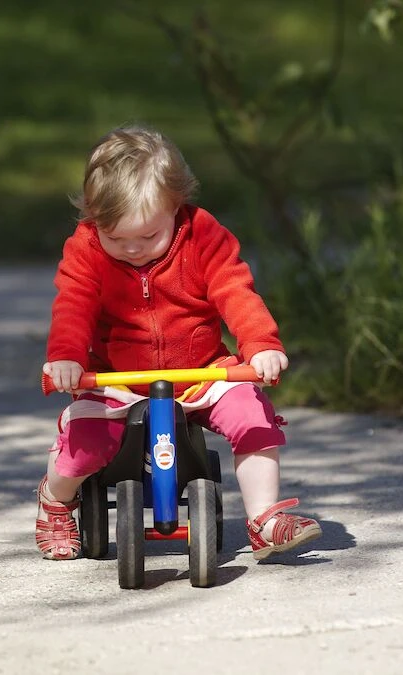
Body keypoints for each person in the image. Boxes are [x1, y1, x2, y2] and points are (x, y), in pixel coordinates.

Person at [36, 124, 321, 561]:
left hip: (200, 372)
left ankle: (265, 520)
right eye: (116, 238)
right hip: (117, 381)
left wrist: (260, 344)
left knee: (252, 416)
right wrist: (67, 358)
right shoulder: (87, 249)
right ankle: (56, 501)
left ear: (176, 206)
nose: (133, 249)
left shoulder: (201, 234)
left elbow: (234, 290)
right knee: (83, 448)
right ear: (93, 218)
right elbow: (74, 304)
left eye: (148, 236)